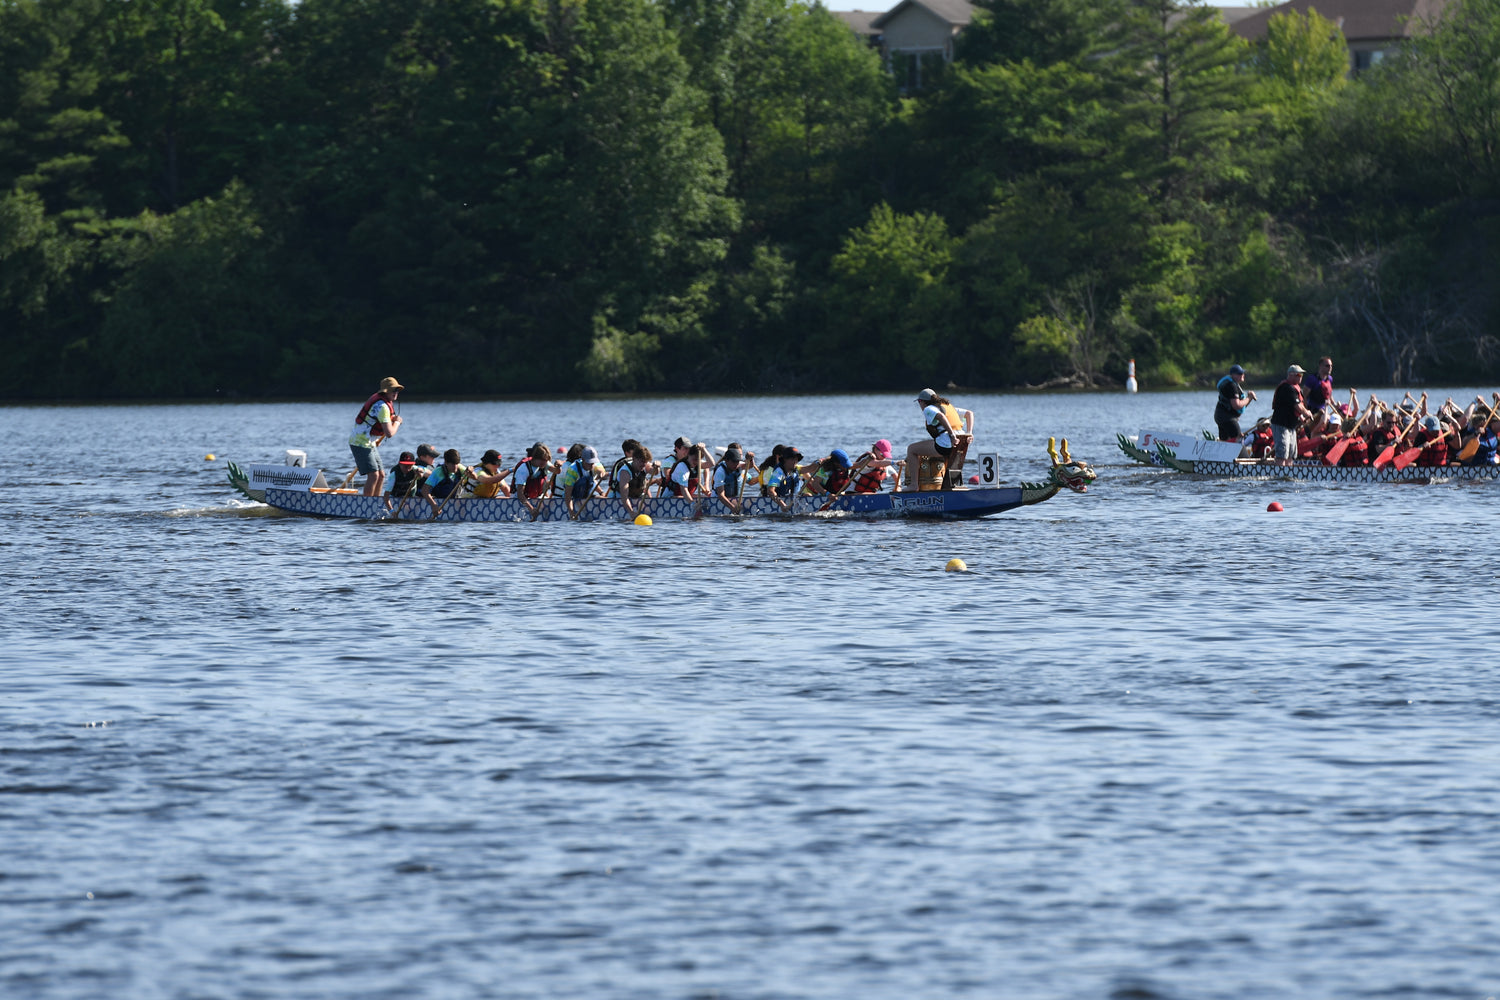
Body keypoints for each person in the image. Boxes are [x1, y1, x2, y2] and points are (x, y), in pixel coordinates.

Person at [906, 388, 974, 489]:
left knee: (911, 449)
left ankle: (914, 485)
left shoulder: (928, 409)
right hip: (961, 444)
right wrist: (969, 433)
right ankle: (948, 486)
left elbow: (941, 417)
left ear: (922, 401)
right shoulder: (948, 406)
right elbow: (969, 413)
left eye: (919, 402)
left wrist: (952, 435)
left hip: (947, 444)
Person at [348, 376, 404, 496]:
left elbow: (382, 420)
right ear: (385, 391)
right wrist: (397, 422)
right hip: (360, 442)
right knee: (374, 475)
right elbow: (389, 433)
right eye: (393, 390)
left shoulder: (384, 402)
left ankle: (376, 501)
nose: (396, 393)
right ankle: (367, 504)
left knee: (381, 475)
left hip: (369, 442)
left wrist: (393, 419)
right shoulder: (382, 406)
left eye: (397, 390)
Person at [1270, 364, 1311, 467]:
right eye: (1298, 374)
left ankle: (1289, 477)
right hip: (1281, 425)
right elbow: (1298, 407)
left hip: (1291, 426)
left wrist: (1301, 417)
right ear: (1290, 375)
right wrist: (1307, 413)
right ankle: (1280, 476)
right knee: (1282, 453)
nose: (1300, 377)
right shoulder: (1287, 388)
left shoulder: (1295, 389)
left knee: (1291, 453)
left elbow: (1293, 408)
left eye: (1301, 375)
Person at [560, 445, 606, 519]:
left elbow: (600, 471)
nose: (591, 465)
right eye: (589, 463)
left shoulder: (596, 464)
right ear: (583, 459)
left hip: (587, 497)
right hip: (572, 498)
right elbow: (567, 494)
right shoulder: (573, 470)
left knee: (605, 500)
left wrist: (601, 474)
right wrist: (572, 513)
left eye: (593, 463)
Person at [1214, 365, 1256, 442]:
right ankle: (1240, 454)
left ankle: (1225, 452)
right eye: (1240, 373)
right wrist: (1249, 398)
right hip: (1226, 418)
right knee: (1238, 438)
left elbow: (1240, 407)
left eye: (1243, 373)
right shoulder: (1231, 386)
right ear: (1233, 375)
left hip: (1221, 417)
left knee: (1225, 440)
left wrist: (1249, 399)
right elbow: (1236, 405)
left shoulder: (1233, 384)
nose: (1243, 375)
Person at [421, 448, 472, 513]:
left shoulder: (460, 468)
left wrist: (472, 471)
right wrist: (434, 506)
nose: (455, 467)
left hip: (456, 502)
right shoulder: (438, 472)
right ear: (446, 463)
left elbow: (475, 478)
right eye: (453, 464)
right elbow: (424, 490)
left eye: (457, 464)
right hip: (439, 503)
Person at [512, 442, 554, 518]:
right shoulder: (523, 469)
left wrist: (559, 465)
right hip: (520, 498)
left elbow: (556, 471)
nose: (545, 463)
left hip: (537, 497)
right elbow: (520, 494)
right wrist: (531, 509)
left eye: (546, 460)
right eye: (542, 459)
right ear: (534, 457)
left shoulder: (544, 463)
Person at [612, 445, 654, 515]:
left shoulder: (645, 465)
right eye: (641, 461)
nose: (643, 465)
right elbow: (624, 497)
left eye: (645, 462)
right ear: (634, 459)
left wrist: (657, 467)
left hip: (637, 496)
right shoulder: (625, 472)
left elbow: (655, 472)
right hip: (620, 499)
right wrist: (631, 512)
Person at [711, 445, 753, 514]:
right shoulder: (720, 471)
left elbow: (750, 465)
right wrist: (732, 508)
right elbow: (721, 495)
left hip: (733, 499)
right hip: (718, 500)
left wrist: (750, 459)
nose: (736, 464)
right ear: (726, 460)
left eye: (737, 461)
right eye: (734, 461)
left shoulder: (738, 465)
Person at [766, 447, 804, 512]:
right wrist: (782, 504)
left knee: (808, 495)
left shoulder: (794, 472)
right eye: (792, 459)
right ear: (785, 460)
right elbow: (770, 491)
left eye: (796, 459)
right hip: (777, 504)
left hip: (791, 500)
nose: (795, 462)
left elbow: (811, 468)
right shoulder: (778, 472)